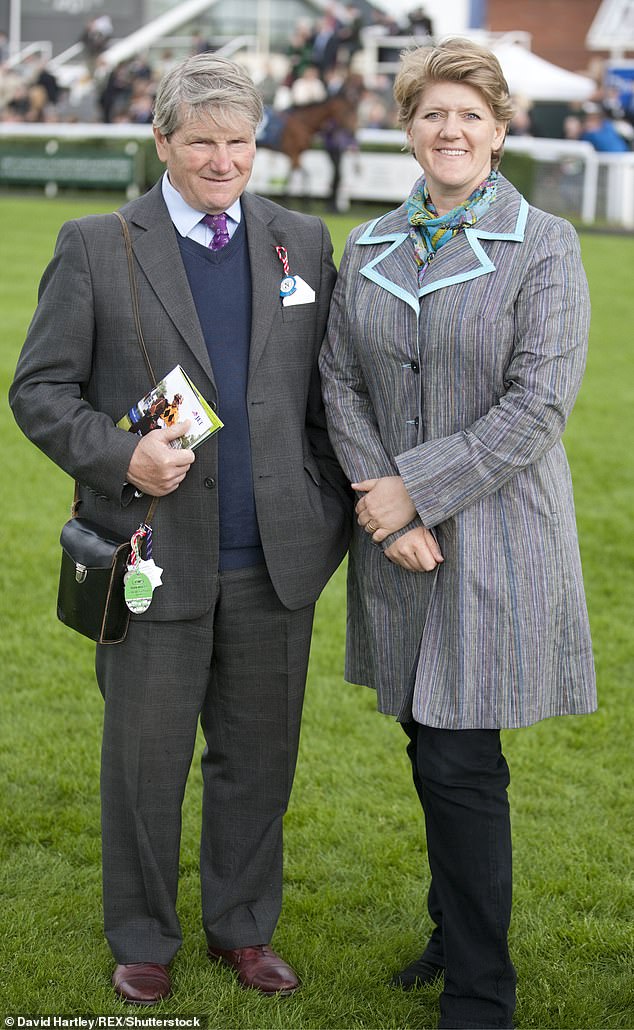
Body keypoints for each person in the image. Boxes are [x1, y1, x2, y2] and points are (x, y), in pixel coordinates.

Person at [10, 53, 351, 1007]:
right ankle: (144, 938)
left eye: (238, 141)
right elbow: (37, 391)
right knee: (144, 766)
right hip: (152, 557)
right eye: (200, 140)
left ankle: (243, 932)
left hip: (276, 563)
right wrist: (122, 459)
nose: (221, 159)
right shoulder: (96, 243)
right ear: (161, 141)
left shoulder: (301, 241)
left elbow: (329, 399)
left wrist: (322, 516)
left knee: (258, 763)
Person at [319, 37, 596, 1030]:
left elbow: (535, 407)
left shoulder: (546, 243)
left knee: (458, 759)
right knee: (426, 740)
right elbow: (339, 379)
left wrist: (416, 495)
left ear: (498, 128)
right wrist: (379, 497)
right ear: (409, 127)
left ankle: (481, 988)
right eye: (433, 114)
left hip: (494, 533)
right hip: (395, 537)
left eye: (470, 115)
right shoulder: (371, 243)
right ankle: (454, 929)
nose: (451, 131)